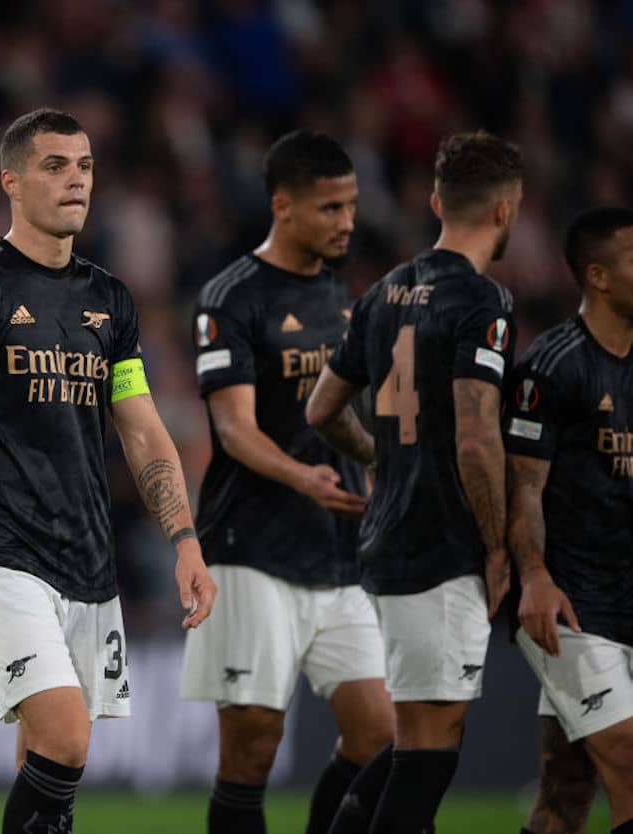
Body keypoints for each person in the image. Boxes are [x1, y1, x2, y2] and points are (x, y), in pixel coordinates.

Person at [0, 106, 216, 834]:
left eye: (85, 166)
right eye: (55, 166)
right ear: (11, 181)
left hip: (87, 553)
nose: (76, 180)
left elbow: (142, 432)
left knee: (47, 762)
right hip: (0, 550)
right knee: (67, 739)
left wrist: (185, 539)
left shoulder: (109, 302)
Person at [306, 130, 524, 833]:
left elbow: (321, 409)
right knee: (432, 748)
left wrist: (379, 461)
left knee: (420, 737)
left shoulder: (384, 293)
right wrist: (496, 547)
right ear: (505, 210)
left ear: (436, 201)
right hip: (441, 543)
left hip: (389, 536)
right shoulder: (483, 300)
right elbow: (474, 435)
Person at [181, 129, 393, 834]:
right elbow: (235, 431)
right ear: (284, 207)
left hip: (339, 553)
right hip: (252, 552)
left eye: (351, 205)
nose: (347, 221)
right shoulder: (230, 298)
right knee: (251, 753)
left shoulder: (343, 295)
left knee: (381, 739)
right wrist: (307, 478)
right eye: (330, 208)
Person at [508, 207, 633, 834]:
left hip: (627, 593)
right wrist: (532, 574)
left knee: (566, 791)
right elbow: (523, 485)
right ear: (599, 276)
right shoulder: (551, 365)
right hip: (570, 605)